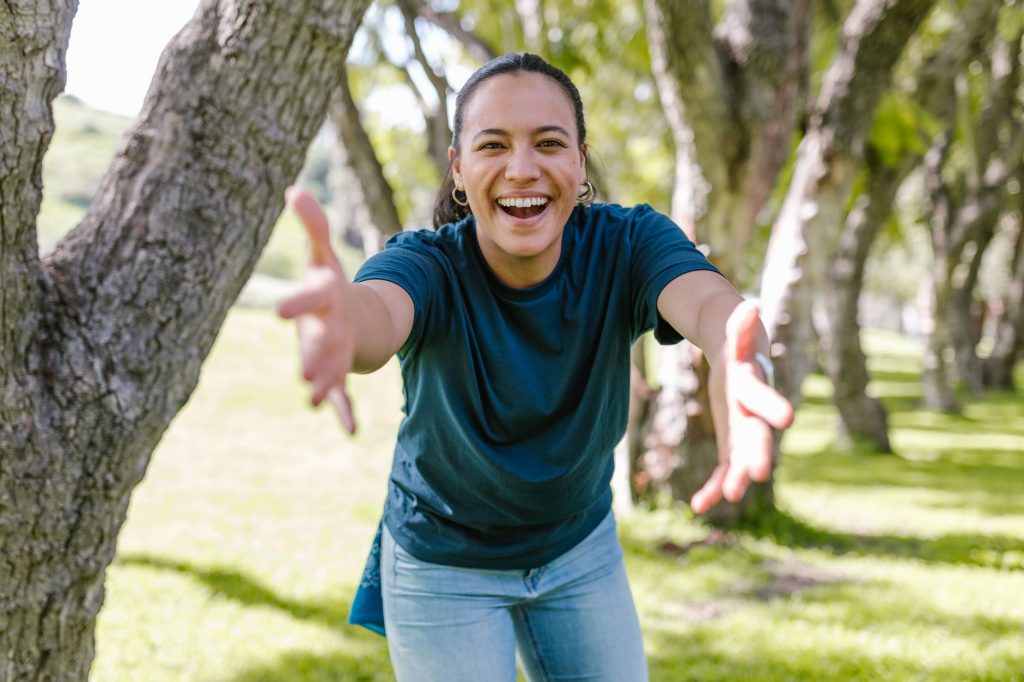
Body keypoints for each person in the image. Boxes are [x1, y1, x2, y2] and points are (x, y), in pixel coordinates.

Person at [278, 52, 793, 682]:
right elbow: (375, 320)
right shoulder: (429, 265)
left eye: (548, 143)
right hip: (445, 560)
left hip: (577, 544)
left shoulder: (628, 244)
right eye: (493, 145)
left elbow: (715, 307)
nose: (522, 169)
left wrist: (743, 357)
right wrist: (339, 321)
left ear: (579, 162)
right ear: (459, 170)